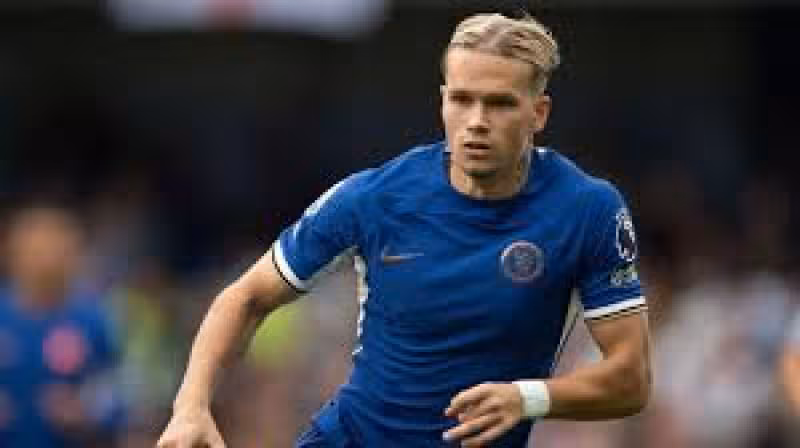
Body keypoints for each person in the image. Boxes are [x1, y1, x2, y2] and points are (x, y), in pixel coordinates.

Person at [157, 12, 651, 448]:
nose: (477, 121)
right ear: (442, 102)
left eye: (500, 104)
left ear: (538, 113)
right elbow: (244, 298)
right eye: (462, 100)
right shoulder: (376, 197)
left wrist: (528, 398)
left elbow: (631, 378)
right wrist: (190, 408)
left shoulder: (586, 210)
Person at [0, 204, 125, 447]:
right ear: (11, 253)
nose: (45, 262)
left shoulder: (95, 321)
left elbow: (118, 393)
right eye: (36, 251)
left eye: (56, 250)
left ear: (74, 255)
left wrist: (86, 410)